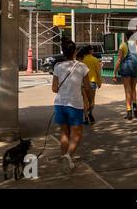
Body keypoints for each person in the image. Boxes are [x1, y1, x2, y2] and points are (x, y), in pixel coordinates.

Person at [52, 38, 92, 173]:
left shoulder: (58, 66)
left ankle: (65, 158)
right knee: (77, 133)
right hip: (75, 104)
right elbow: (87, 87)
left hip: (60, 103)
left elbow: (54, 88)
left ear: (63, 52)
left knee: (64, 132)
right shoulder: (82, 67)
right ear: (75, 51)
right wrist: (90, 101)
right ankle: (68, 157)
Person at [113, 31, 137, 121]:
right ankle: (135, 107)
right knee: (133, 89)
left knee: (127, 90)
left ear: (126, 37)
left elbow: (119, 59)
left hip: (126, 68)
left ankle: (129, 112)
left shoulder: (123, 45)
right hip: (136, 68)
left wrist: (114, 72)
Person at [81, 45, 102, 124]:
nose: (93, 50)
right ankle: (90, 112)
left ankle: (85, 118)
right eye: (92, 49)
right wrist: (99, 82)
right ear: (90, 51)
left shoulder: (82, 60)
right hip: (92, 82)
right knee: (92, 101)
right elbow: (98, 73)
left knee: (85, 101)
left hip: (83, 82)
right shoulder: (95, 60)